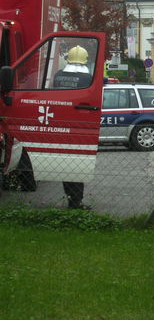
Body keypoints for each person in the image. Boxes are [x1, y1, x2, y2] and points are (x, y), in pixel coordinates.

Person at [53, 45, 93, 209]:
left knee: (65, 165)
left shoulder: (58, 76)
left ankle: (72, 198)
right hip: (81, 127)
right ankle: (76, 201)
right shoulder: (88, 79)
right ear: (85, 60)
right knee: (78, 165)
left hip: (60, 125)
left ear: (68, 58)